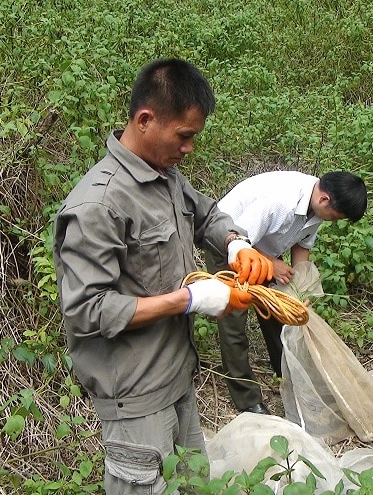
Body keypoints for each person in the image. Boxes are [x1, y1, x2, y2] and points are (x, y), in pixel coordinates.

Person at [52, 58, 274, 495]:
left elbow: (206, 213)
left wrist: (235, 243)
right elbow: (86, 310)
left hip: (178, 376)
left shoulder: (165, 176)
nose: (189, 148)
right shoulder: (99, 204)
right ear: (145, 120)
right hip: (136, 397)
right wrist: (190, 300)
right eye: (184, 135)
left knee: (194, 485)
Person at [204, 170, 367, 415]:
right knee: (234, 320)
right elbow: (238, 239)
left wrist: (299, 290)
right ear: (325, 200)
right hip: (228, 243)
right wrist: (272, 264)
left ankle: (288, 375)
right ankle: (247, 399)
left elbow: (302, 246)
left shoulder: (317, 205)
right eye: (335, 218)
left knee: (279, 311)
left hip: (262, 246)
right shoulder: (280, 202)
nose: (333, 222)